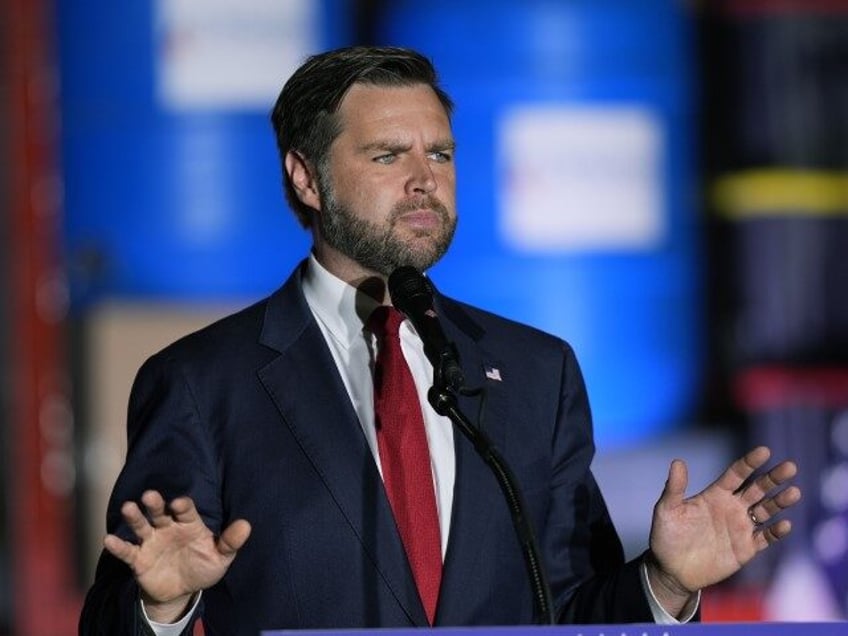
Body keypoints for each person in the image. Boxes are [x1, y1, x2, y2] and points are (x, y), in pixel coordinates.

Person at [79, 46, 801, 635]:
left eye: (442, 156)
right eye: (389, 156)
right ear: (307, 178)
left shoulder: (536, 372)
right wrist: (163, 606)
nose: (426, 180)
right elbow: (114, 621)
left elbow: (571, 615)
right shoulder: (205, 382)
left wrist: (665, 581)